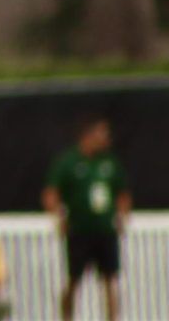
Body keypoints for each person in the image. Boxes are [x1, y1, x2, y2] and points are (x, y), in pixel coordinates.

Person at [42, 116, 131, 321]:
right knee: (74, 280)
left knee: (109, 279)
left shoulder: (109, 162)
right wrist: (59, 216)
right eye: (101, 134)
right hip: (79, 230)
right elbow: (51, 193)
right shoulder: (69, 162)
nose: (105, 138)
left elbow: (122, 193)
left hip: (105, 230)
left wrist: (122, 217)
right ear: (88, 136)